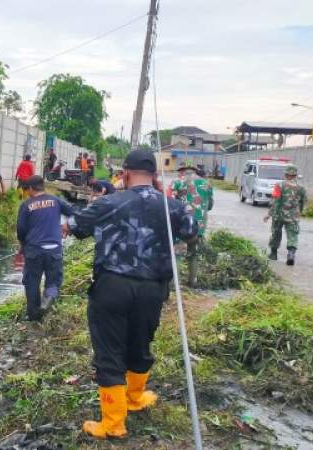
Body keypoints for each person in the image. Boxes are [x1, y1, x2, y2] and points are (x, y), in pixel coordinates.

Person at [65, 150, 198, 439]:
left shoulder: (109, 202)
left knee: (110, 351)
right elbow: (191, 233)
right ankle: (135, 399)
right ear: (155, 176)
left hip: (112, 287)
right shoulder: (173, 207)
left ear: (125, 173)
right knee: (140, 343)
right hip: (153, 288)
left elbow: (72, 226)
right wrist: (164, 197)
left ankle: (113, 423)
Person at [17, 176, 75, 321]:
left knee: (31, 282)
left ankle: (33, 315)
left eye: (26, 189)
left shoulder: (26, 205)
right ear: (43, 187)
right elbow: (74, 212)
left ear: (30, 189)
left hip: (34, 250)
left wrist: (23, 247)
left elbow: (21, 230)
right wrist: (68, 226)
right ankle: (48, 298)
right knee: (54, 281)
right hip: (54, 249)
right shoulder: (55, 200)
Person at [168, 160, 214, 286]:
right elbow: (209, 206)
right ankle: (192, 282)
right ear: (194, 169)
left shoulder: (176, 183)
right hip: (199, 227)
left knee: (177, 254)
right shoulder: (207, 184)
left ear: (183, 170)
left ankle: (173, 284)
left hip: (181, 225)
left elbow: (169, 204)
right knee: (194, 254)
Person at [264, 165, 306, 265]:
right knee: (293, 235)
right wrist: (299, 212)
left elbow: (275, 201)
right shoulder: (301, 188)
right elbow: (303, 203)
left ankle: (273, 254)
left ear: (286, 174)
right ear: (295, 175)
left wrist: (269, 214)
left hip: (279, 215)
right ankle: (291, 254)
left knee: (276, 233)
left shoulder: (279, 185)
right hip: (293, 217)